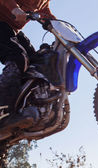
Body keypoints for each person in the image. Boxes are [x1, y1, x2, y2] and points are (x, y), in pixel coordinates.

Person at [0, 0, 55, 131]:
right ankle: (3, 111)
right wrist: (15, 9)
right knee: (18, 58)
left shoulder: (44, 2)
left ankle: (22, 105)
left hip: (12, 29)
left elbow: (46, 14)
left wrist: (60, 27)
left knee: (37, 61)